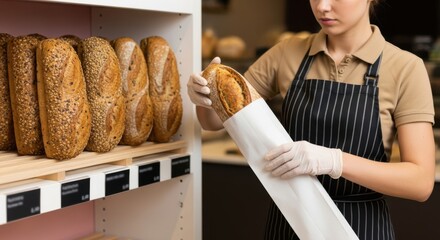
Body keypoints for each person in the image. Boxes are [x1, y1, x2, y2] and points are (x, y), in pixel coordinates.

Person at [187, 0, 436, 239]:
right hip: (290, 223)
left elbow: (420, 182)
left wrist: (333, 160)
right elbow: (214, 122)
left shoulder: (405, 68)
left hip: (362, 227)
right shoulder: (286, 53)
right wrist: (204, 97)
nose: (322, 6)